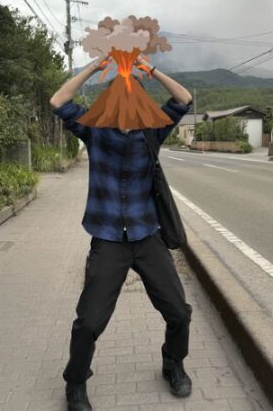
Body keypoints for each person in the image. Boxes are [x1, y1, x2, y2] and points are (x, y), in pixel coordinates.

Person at [49, 56, 194, 411]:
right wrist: (95, 69)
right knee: (88, 322)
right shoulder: (94, 130)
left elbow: (183, 100)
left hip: (148, 236)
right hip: (108, 238)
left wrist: (150, 70)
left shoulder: (153, 132)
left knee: (179, 312)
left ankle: (173, 364)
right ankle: (76, 383)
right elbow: (57, 102)